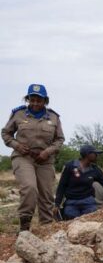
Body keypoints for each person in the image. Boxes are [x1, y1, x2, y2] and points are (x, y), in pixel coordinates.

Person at [2, 84, 65, 232]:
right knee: (30, 188)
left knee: (46, 195)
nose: (35, 103)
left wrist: (48, 152)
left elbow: (60, 140)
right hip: (23, 157)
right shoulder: (18, 114)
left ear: (45, 101)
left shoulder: (54, 117)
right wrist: (16, 145)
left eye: (39, 100)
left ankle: (46, 228)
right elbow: (6, 134)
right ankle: (24, 227)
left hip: (45, 159)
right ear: (28, 99)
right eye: (32, 99)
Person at [55, 145, 103, 219]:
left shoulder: (95, 170)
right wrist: (57, 204)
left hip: (88, 202)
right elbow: (62, 185)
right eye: (95, 153)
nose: (97, 155)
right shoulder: (70, 166)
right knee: (70, 217)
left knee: (91, 218)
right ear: (88, 154)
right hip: (71, 202)